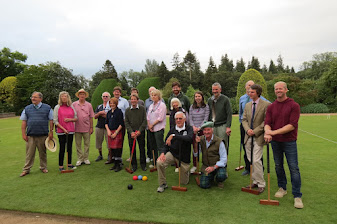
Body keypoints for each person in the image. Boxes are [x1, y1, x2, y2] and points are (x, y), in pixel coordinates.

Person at [264, 81, 303, 209]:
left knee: (293, 167)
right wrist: (267, 132)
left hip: (289, 141)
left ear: (286, 90)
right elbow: (267, 123)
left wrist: (272, 132)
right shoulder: (271, 106)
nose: (278, 91)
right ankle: (282, 188)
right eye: (276, 89)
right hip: (276, 142)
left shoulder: (294, 105)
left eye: (280, 89)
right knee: (278, 165)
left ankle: (297, 195)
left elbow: (291, 126)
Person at [242, 84, 270, 194]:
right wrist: (248, 130)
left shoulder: (266, 105)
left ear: (258, 93)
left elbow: (266, 121)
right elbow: (244, 119)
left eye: (252, 92)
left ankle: (261, 183)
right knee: (251, 160)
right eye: (249, 92)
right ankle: (255, 181)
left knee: (256, 160)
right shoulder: (248, 105)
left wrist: (256, 130)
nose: (249, 93)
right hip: (248, 136)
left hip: (259, 137)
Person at [156, 111, 193, 193]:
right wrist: (162, 153)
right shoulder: (172, 129)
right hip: (172, 154)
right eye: (176, 119)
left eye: (180, 118)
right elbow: (166, 143)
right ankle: (163, 184)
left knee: (184, 182)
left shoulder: (189, 128)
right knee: (159, 162)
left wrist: (174, 136)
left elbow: (189, 138)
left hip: (184, 158)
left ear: (184, 119)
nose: (178, 120)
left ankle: (187, 172)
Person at [20, 91, 53, 177]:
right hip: (31, 135)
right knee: (29, 154)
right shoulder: (27, 108)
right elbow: (24, 122)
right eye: (32, 97)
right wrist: (23, 134)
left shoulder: (47, 108)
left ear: (40, 98)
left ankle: (43, 167)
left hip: (43, 135)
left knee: (43, 153)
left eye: (35, 97)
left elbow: (51, 120)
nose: (33, 99)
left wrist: (51, 132)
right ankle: (26, 169)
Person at [195, 121, 227, 189]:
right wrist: (196, 144)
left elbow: (224, 159)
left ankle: (219, 180)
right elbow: (196, 154)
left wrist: (213, 167)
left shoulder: (219, 141)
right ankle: (211, 177)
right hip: (206, 166)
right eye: (205, 130)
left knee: (221, 175)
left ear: (212, 130)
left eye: (208, 130)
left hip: (217, 166)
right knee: (204, 185)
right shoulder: (201, 140)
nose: (206, 132)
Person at [53, 91, 78, 171]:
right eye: (62, 96)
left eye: (65, 96)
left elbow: (76, 118)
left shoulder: (71, 106)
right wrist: (63, 129)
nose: (64, 98)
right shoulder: (57, 107)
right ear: (60, 98)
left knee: (69, 147)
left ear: (68, 98)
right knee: (62, 148)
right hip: (61, 131)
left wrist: (70, 119)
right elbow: (55, 121)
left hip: (70, 130)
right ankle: (61, 166)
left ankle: (69, 164)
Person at [125, 93, 147, 171]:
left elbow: (144, 121)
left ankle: (143, 164)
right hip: (131, 133)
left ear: (137, 100)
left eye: (135, 99)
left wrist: (139, 131)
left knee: (142, 148)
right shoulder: (127, 110)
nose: (133, 101)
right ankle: (134, 165)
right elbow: (126, 122)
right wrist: (131, 132)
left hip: (140, 132)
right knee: (132, 149)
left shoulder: (142, 109)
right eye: (132, 99)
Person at [189, 91, 210, 173]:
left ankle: (205, 165)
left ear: (202, 97)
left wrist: (199, 128)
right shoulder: (192, 107)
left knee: (204, 148)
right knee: (195, 148)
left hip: (202, 130)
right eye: (196, 96)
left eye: (199, 96)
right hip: (194, 130)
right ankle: (195, 165)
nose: (197, 98)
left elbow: (205, 118)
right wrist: (193, 127)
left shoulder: (206, 106)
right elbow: (190, 118)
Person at [72, 89, 94, 166]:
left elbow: (91, 117)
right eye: (80, 94)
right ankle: (80, 159)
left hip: (86, 128)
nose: (82, 95)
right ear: (78, 95)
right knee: (78, 144)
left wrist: (91, 127)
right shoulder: (74, 104)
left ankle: (86, 158)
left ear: (85, 96)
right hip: (76, 128)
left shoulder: (89, 105)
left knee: (87, 144)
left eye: (83, 94)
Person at [208, 82, 232, 150]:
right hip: (213, 125)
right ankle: (216, 160)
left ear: (220, 90)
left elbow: (229, 113)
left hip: (222, 125)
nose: (215, 91)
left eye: (216, 89)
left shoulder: (225, 99)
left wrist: (228, 127)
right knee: (214, 144)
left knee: (223, 143)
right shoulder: (210, 100)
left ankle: (224, 159)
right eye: (213, 89)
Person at [147, 89, 166, 169]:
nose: (153, 97)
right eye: (152, 95)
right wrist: (149, 125)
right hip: (151, 129)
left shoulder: (162, 105)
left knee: (160, 146)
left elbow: (160, 118)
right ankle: (154, 162)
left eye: (155, 95)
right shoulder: (151, 106)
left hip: (158, 128)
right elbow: (147, 117)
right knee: (153, 146)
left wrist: (152, 125)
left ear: (158, 96)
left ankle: (161, 163)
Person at [105, 97, 125, 172]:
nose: (112, 104)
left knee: (117, 149)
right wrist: (108, 131)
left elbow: (121, 124)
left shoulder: (119, 112)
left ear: (116, 104)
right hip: (110, 132)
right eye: (111, 103)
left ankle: (118, 165)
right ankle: (114, 164)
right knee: (112, 149)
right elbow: (106, 123)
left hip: (117, 132)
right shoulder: (109, 112)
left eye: (113, 103)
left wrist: (116, 132)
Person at [94, 92, 111, 162]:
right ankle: (100, 155)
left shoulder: (111, 106)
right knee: (98, 142)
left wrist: (105, 115)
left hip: (109, 127)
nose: (105, 98)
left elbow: (112, 116)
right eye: (104, 96)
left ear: (109, 97)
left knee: (109, 142)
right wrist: (99, 113)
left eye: (106, 96)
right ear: (102, 97)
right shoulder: (99, 107)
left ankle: (109, 155)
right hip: (99, 126)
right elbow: (95, 116)